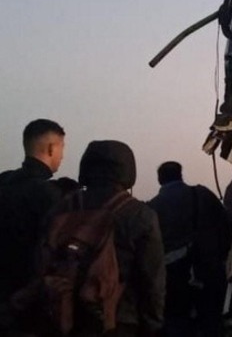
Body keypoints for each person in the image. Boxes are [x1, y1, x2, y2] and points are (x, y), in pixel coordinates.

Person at [77, 140, 165, 336]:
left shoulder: (64, 207)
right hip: (119, 320)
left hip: (65, 316)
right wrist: (153, 325)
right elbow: (153, 280)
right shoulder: (140, 215)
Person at [148, 162, 232, 337]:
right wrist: (219, 257)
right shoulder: (203, 194)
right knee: (211, 324)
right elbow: (226, 225)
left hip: (172, 280)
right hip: (209, 273)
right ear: (180, 174)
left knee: (176, 325)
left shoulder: (152, 207)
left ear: (159, 179)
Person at [0, 119, 65, 332]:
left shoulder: (4, 183)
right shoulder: (50, 195)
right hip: (30, 304)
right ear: (50, 148)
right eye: (62, 148)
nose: (62, 156)